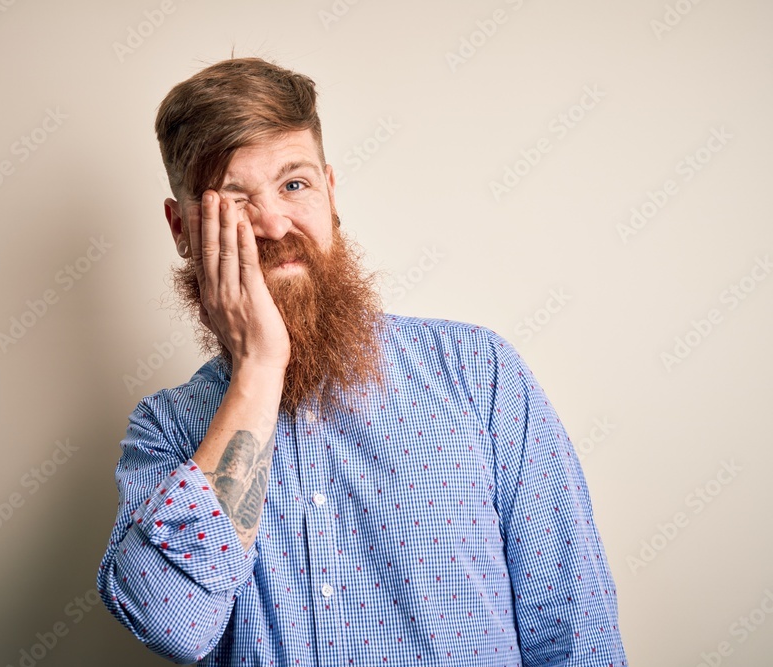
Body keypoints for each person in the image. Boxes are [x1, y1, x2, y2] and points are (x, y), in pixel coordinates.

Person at [97, 56, 629, 666]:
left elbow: (577, 635)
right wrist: (258, 371)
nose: (273, 223)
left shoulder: (478, 375)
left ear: (331, 191)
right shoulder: (166, 431)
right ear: (182, 230)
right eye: (234, 200)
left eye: (294, 185)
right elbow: (173, 625)